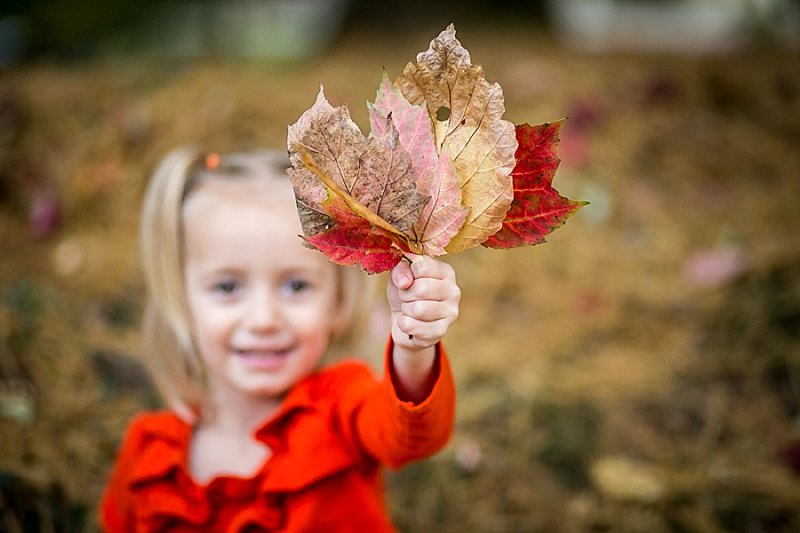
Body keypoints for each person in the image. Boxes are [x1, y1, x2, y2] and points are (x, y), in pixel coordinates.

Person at [99, 147, 461, 532]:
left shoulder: (344, 407)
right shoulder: (149, 456)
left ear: (336, 299)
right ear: (182, 299)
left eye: (295, 285)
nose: (264, 319)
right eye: (227, 287)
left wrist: (415, 346)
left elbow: (411, 436)